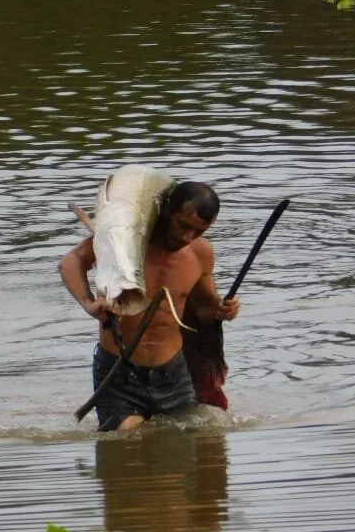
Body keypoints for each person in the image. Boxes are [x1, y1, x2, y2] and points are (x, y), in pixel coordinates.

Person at [58, 181, 240, 431]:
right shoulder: (124, 242)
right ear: (167, 211)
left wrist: (223, 311)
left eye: (199, 231)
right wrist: (89, 303)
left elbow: (205, 311)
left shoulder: (201, 253)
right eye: (183, 226)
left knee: (185, 447)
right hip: (120, 368)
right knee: (126, 439)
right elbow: (71, 262)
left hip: (173, 371)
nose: (188, 237)